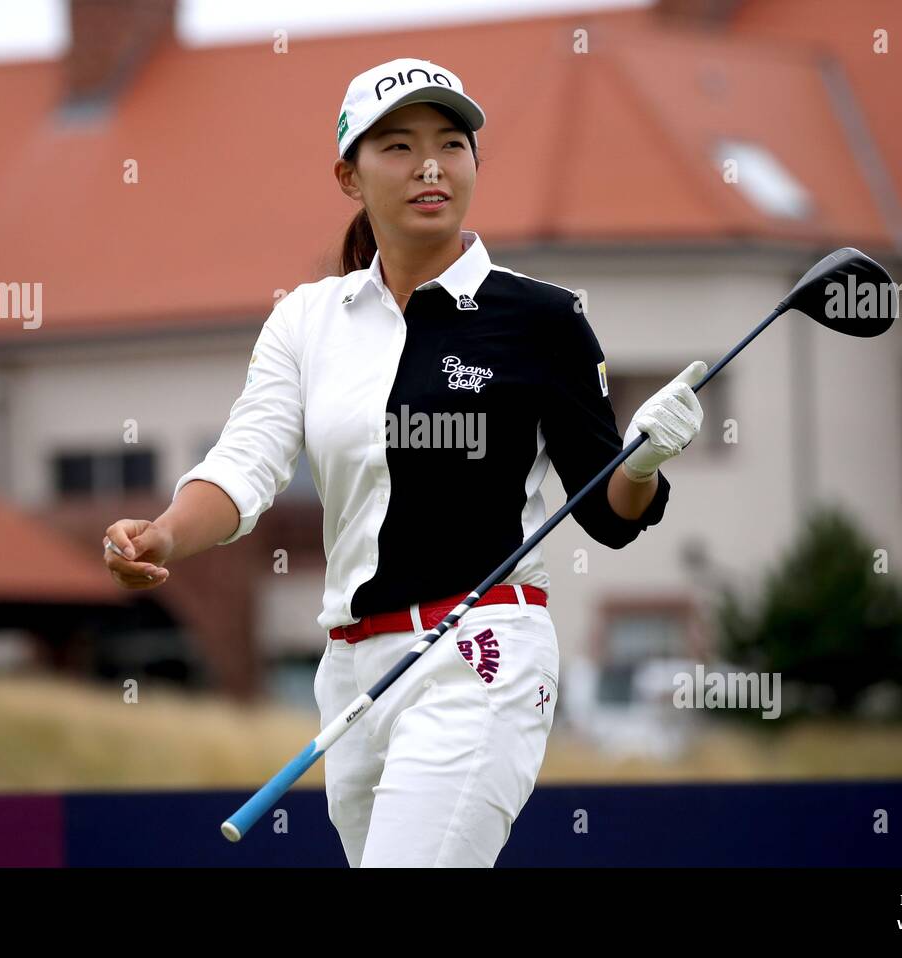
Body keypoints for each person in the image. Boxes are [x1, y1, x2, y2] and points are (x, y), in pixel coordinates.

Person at [102, 57, 706, 867]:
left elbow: (609, 514)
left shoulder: (543, 320)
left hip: (480, 654)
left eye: (450, 144)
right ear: (348, 175)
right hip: (351, 672)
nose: (429, 165)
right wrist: (165, 536)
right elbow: (246, 461)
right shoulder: (308, 322)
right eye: (396, 146)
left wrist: (646, 458)